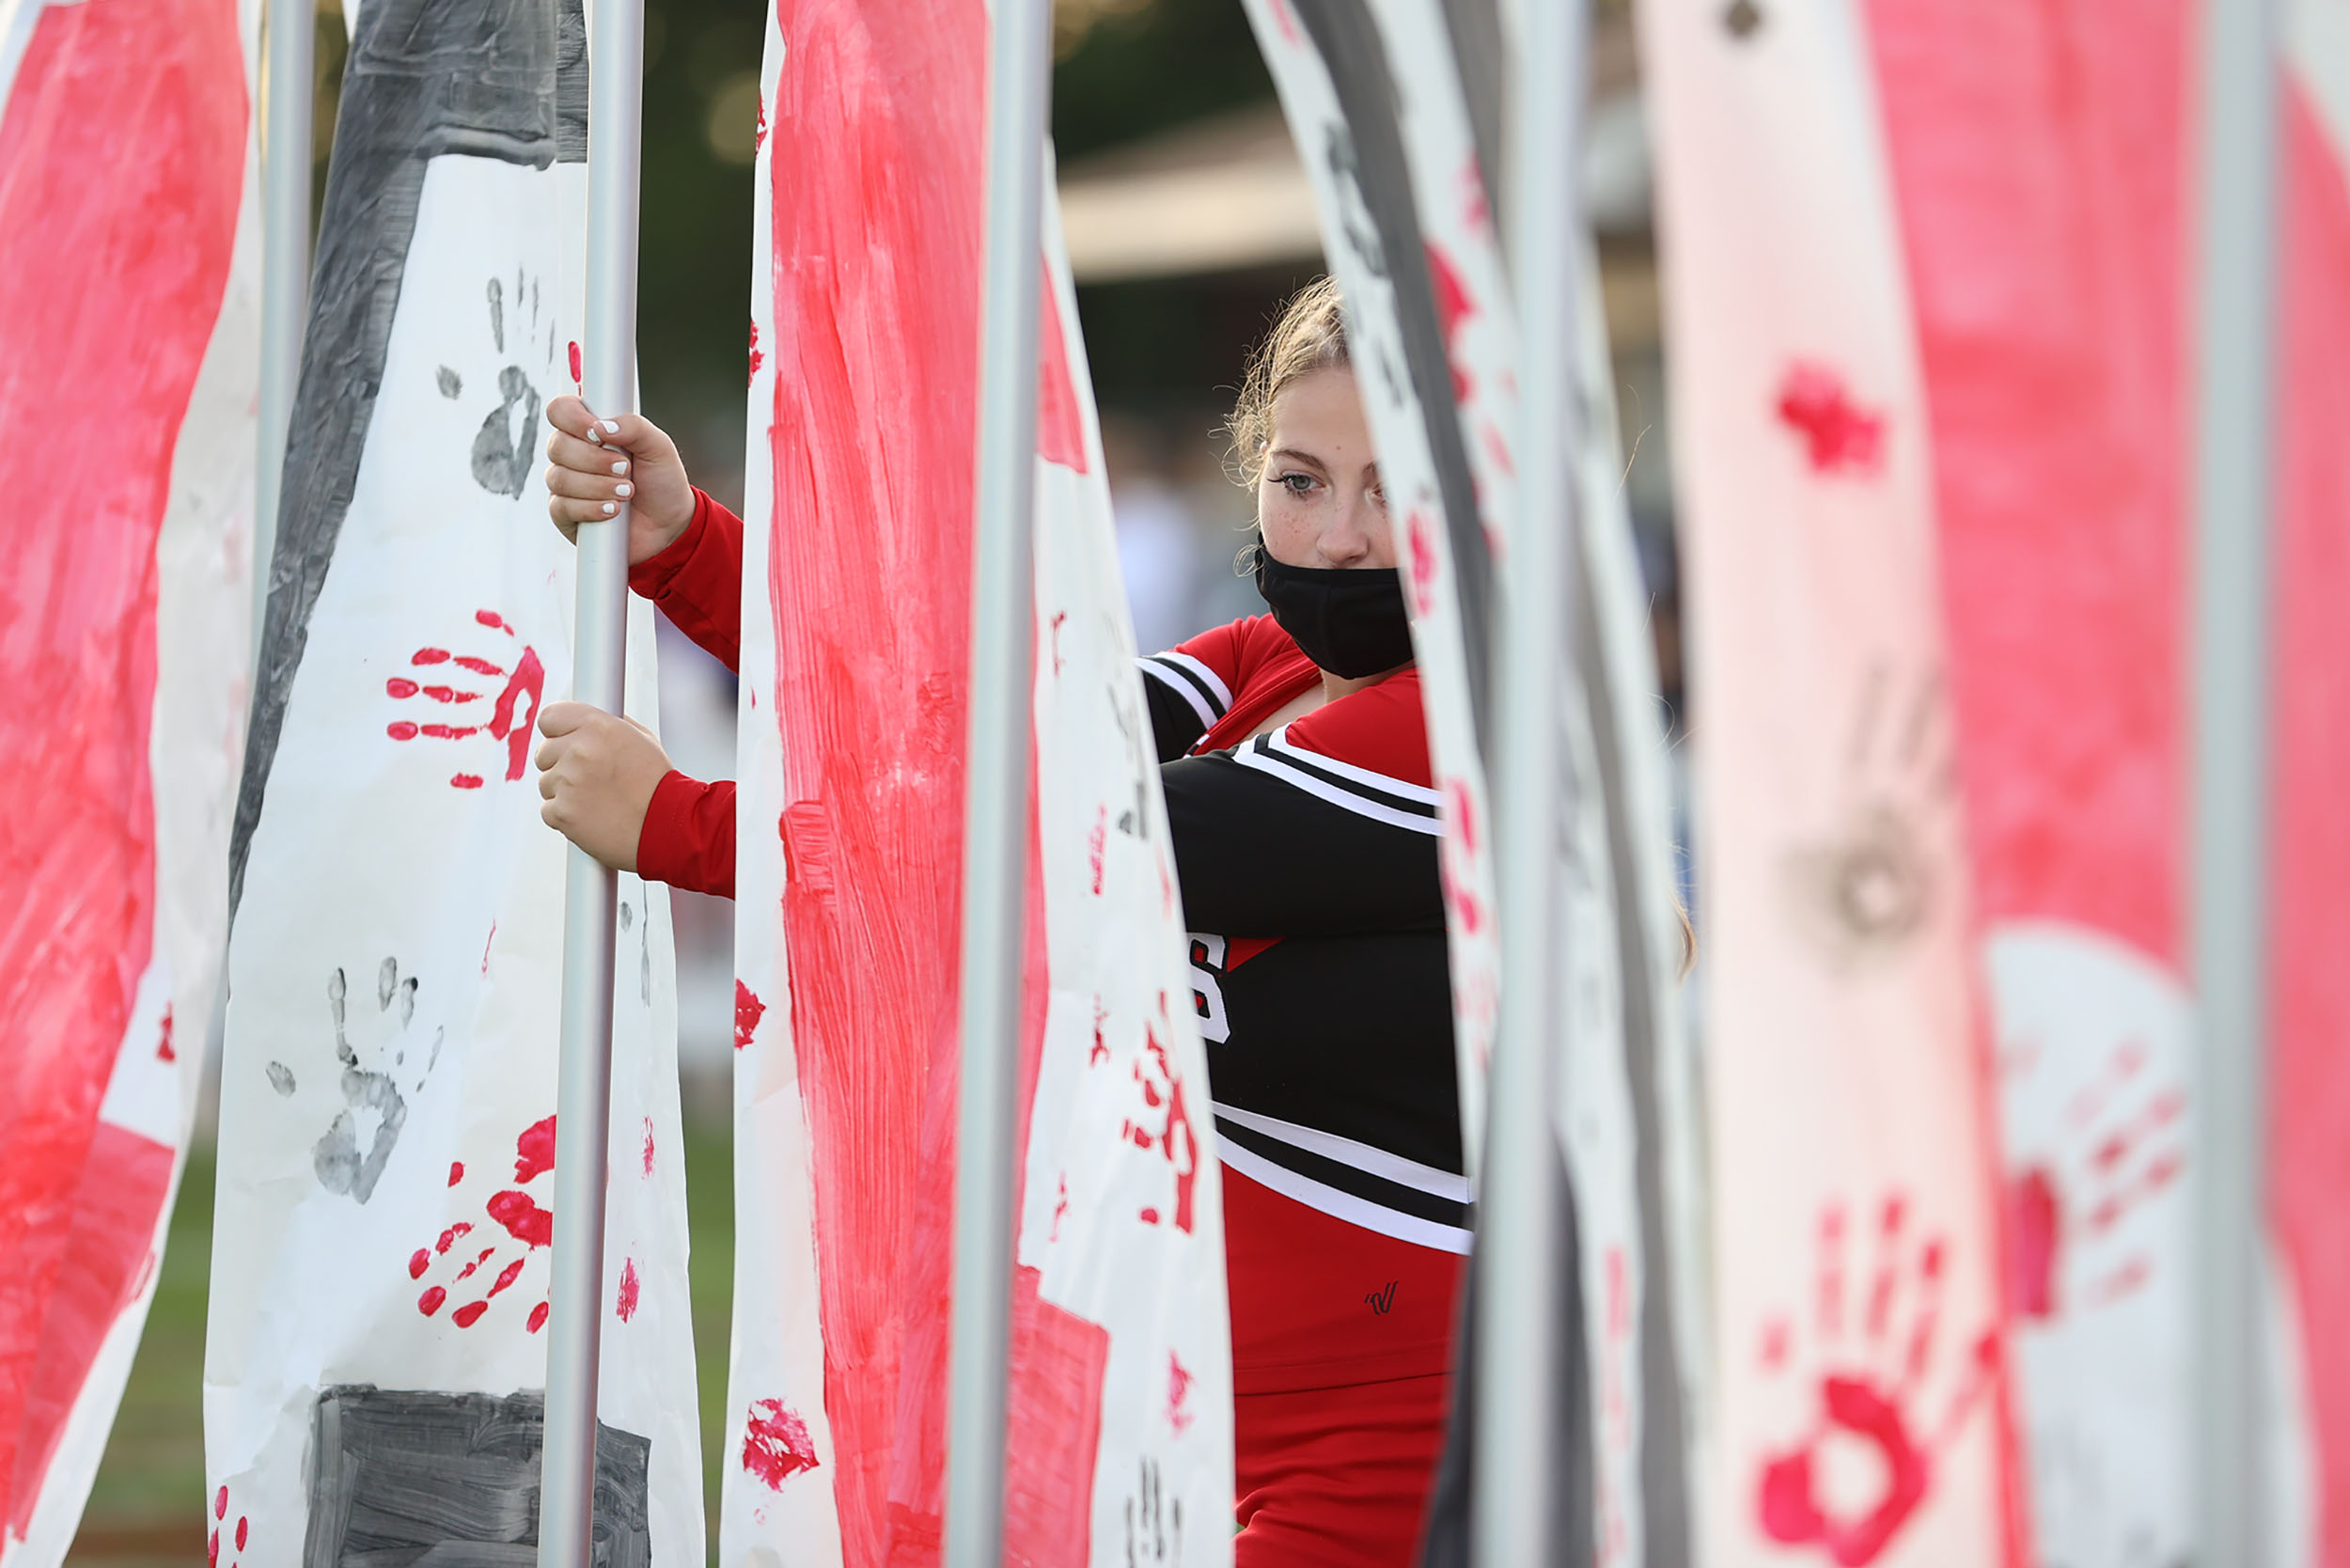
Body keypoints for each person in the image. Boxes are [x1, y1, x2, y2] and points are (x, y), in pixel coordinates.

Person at [532, 277, 1465, 1566]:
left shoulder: (1463, 737)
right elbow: (968, 714)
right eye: (1301, 480)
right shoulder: (1270, 669)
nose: (1340, 535)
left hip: (1395, 1454)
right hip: (1182, 1427)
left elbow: (1055, 845)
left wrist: (684, 825)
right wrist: (686, 546)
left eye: (1393, 492)